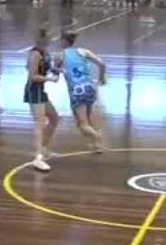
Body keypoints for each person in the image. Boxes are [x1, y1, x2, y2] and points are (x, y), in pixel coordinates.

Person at [57, 31, 107, 152]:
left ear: (64, 41)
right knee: (89, 117)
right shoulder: (83, 51)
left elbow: (55, 73)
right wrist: (101, 78)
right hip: (89, 87)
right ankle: (96, 145)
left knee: (82, 125)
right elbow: (102, 64)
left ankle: (98, 137)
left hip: (76, 90)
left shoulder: (59, 55)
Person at [24, 25, 60, 172]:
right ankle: (37, 158)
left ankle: (43, 148)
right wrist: (49, 79)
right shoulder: (35, 54)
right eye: (49, 36)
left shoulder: (45, 52)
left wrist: (57, 70)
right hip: (34, 91)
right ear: (42, 38)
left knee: (54, 118)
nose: (51, 39)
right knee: (39, 123)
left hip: (41, 91)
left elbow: (48, 67)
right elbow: (32, 76)